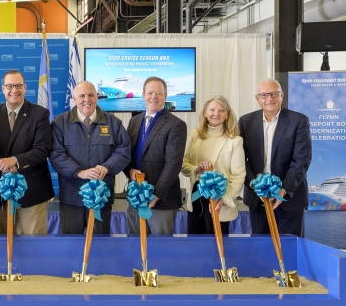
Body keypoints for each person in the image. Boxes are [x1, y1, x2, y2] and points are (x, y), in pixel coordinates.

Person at [50, 81, 131, 234]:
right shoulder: (60, 123)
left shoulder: (113, 122)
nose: (87, 99)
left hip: (101, 196)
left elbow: (124, 150)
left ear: (97, 97)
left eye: (91, 95)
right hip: (71, 198)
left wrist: (107, 167)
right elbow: (56, 153)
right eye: (82, 96)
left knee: (100, 247)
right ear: (74, 98)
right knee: (71, 248)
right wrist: (79, 172)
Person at [0, 70, 54, 235]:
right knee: (4, 245)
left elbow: (42, 149)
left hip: (33, 191)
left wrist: (15, 160)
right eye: (9, 86)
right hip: (3, 190)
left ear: (25, 87)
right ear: (3, 88)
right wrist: (4, 165)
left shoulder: (40, 114)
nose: (14, 90)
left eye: (18, 86)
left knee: (35, 248)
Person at [238, 79, 312, 237]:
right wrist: (254, 184)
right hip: (258, 198)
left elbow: (301, 160)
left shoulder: (299, 121)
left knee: (290, 251)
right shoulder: (246, 122)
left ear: (282, 95)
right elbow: (240, 159)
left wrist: (282, 190)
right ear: (257, 98)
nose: (269, 99)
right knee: (260, 251)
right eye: (264, 95)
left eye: (273, 94)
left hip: (289, 199)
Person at [124, 76, 187, 235]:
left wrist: (156, 194)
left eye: (159, 93)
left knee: (161, 250)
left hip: (160, 200)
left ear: (165, 96)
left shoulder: (176, 125)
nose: (154, 97)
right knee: (134, 244)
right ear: (143, 94)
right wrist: (130, 171)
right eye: (150, 92)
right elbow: (125, 154)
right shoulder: (134, 121)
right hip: (135, 196)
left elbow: (173, 164)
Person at [181, 96, 246, 235]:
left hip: (219, 199)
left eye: (221, 110)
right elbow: (184, 165)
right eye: (212, 109)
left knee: (217, 247)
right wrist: (197, 168)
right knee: (195, 243)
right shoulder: (195, 135)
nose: (216, 114)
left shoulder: (235, 141)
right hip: (196, 197)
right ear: (205, 112)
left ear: (227, 114)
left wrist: (224, 199)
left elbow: (239, 176)